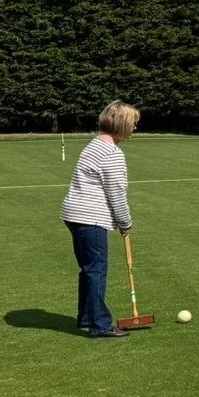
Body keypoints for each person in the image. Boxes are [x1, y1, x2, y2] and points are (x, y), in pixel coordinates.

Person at [60, 101, 140, 339]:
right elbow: (116, 193)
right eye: (133, 123)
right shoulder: (112, 154)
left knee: (88, 270)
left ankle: (86, 317)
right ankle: (100, 325)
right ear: (123, 125)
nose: (135, 128)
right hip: (89, 217)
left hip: (73, 214)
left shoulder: (94, 144)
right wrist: (125, 222)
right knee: (96, 270)